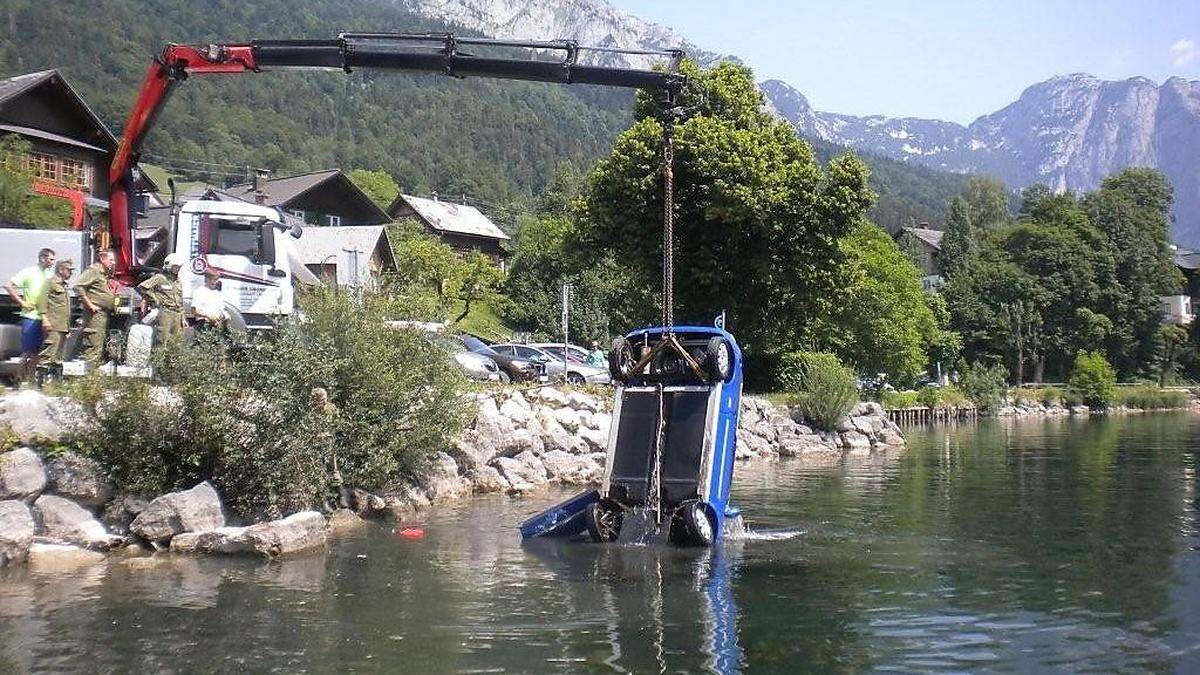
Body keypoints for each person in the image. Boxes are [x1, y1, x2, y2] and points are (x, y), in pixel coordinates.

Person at [4, 248, 55, 382]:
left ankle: (31, 380)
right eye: (50, 259)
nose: (52, 262)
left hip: (43, 317)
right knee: (28, 351)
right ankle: (18, 379)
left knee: (37, 352)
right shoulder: (29, 272)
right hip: (30, 316)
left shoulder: (49, 275)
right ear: (42, 258)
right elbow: (9, 286)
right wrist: (22, 302)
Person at [75, 250, 118, 370]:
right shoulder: (94, 271)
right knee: (93, 343)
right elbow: (78, 286)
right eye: (111, 260)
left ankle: (93, 375)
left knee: (99, 344)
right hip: (95, 314)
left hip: (103, 313)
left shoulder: (103, 274)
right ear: (103, 260)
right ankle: (89, 378)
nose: (113, 263)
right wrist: (90, 304)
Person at [36, 258, 74, 381]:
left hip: (62, 326)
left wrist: (67, 328)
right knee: (47, 354)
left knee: (58, 357)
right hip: (53, 324)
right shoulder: (50, 282)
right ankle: (40, 385)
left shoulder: (63, 285)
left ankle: (56, 385)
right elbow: (41, 301)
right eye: (69, 270)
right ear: (61, 270)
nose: (71, 273)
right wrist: (44, 319)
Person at [137, 253, 186, 345]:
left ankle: (172, 359)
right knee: (162, 339)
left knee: (176, 341)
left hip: (177, 314)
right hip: (165, 313)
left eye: (179, 266)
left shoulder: (178, 281)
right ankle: (159, 359)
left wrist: (183, 318)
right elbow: (142, 287)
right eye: (176, 266)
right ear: (169, 266)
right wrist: (155, 298)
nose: (178, 268)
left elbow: (180, 301)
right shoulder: (160, 278)